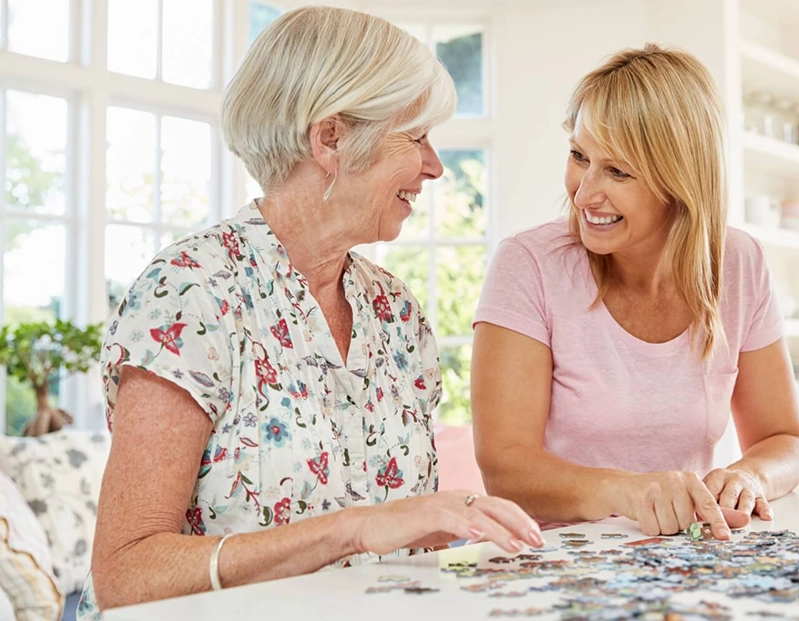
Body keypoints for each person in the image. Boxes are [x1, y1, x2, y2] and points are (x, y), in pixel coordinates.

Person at [80, 7, 541, 618]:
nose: (435, 165)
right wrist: (352, 528)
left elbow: (397, 557)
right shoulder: (192, 294)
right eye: (416, 138)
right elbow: (124, 575)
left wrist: (473, 552)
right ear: (331, 138)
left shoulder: (396, 314)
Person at [471, 45, 799, 540]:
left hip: (677, 560)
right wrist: (629, 492)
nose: (584, 192)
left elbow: (786, 440)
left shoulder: (739, 264)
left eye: (618, 171)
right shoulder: (528, 265)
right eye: (579, 156)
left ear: (681, 181)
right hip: (553, 562)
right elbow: (505, 468)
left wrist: (749, 476)